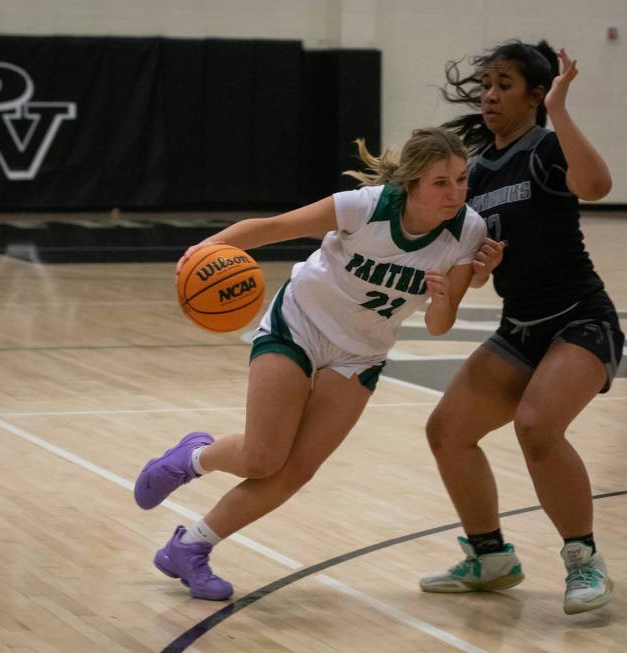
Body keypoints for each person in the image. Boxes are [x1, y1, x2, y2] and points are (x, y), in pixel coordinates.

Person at [133, 127, 487, 600]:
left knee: (296, 469)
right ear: (411, 184)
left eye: (462, 179)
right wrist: (205, 249)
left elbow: (441, 325)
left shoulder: (468, 231)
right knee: (263, 457)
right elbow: (273, 227)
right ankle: (193, 458)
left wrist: (443, 298)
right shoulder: (366, 206)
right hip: (301, 324)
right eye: (441, 182)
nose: (456, 192)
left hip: (361, 352)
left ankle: (190, 548)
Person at [419, 41, 624, 615]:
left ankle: (583, 561)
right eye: (486, 83)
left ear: (536, 94)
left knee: (537, 427)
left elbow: (599, 187)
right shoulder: (478, 172)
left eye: (505, 84)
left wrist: (560, 110)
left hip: (581, 319)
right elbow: (480, 276)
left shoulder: (545, 149)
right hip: (521, 327)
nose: (488, 94)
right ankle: (489, 557)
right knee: (447, 430)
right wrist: (480, 271)